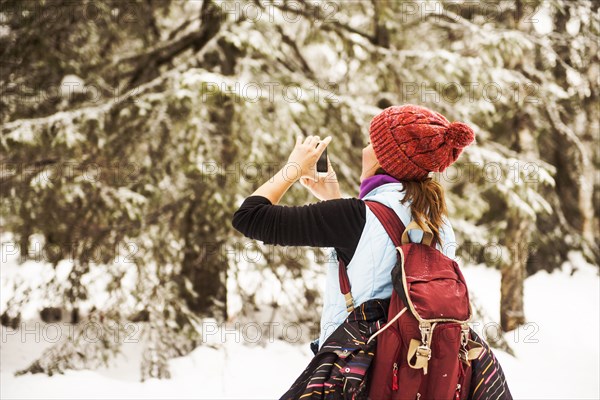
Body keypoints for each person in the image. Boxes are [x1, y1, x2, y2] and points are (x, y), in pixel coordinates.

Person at [232, 104, 511, 399]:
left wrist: (293, 168)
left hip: (359, 377)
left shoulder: (355, 217)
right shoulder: (439, 223)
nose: (365, 149)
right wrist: (334, 200)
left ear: (384, 158)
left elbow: (250, 217)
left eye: (371, 144)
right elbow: (383, 268)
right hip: (415, 375)